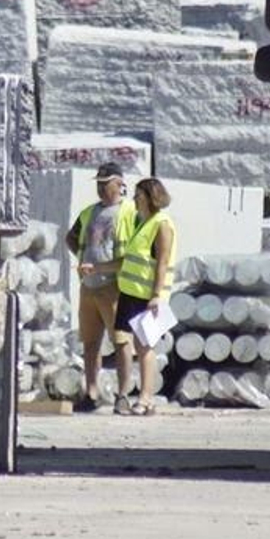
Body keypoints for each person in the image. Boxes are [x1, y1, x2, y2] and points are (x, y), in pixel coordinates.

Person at [65, 162, 135, 412]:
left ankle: (123, 394)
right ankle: (91, 392)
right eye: (99, 184)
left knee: (121, 341)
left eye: (106, 184)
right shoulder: (89, 213)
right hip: (89, 286)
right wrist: (83, 260)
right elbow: (71, 237)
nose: (101, 189)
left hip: (115, 285)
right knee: (91, 342)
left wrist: (102, 268)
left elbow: (134, 252)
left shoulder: (129, 212)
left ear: (120, 184)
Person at [105, 177, 176, 416]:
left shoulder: (161, 223)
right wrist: (96, 268)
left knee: (146, 346)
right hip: (131, 292)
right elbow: (129, 260)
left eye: (138, 195)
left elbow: (163, 262)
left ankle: (146, 398)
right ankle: (146, 398)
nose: (134, 199)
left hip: (148, 296)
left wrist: (156, 295)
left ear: (149, 197)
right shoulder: (141, 222)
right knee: (138, 344)